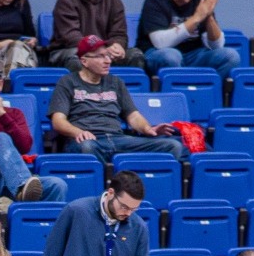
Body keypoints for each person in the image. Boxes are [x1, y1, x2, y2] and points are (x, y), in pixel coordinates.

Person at [49, 35, 188, 162]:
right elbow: (58, 121)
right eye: (100, 56)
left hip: (119, 138)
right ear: (84, 61)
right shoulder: (67, 82)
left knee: (172, 146)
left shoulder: (116, 82)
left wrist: (147, 129)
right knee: (87, 148)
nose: (108, 61)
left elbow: (133, 116)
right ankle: (105, 188)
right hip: (90, 140)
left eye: (108, 56)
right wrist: (78, 132)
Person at [0, 64, 66, 202]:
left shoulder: (15, 114)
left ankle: (36, 217)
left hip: (9, 181)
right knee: (0, 139)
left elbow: (25, 146)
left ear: (0, 84)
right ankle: (23, 187)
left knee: (57, 185)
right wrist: (0, 147)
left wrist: (2, 114)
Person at [139, 0, 239, 79]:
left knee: (231, 56)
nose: (187, 0)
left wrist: (208, 16)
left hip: (193, 54)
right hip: (159, 53)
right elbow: (160, 43)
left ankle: (202, 91)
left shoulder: (200, 1)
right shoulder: (156, 0)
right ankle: (179, 92)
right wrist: (196, 18)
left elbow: (216, 46)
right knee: (171, 56)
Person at [48, 0, 145, 71]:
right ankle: (82, 92)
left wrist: (118, 45)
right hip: (69, 50)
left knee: (135, 55)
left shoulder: (113, 0)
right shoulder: (66, 0)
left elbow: (119, 33)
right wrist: (100, 49)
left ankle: (126, 91)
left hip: (105, 50)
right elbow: (71, 37)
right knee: (79, 58)